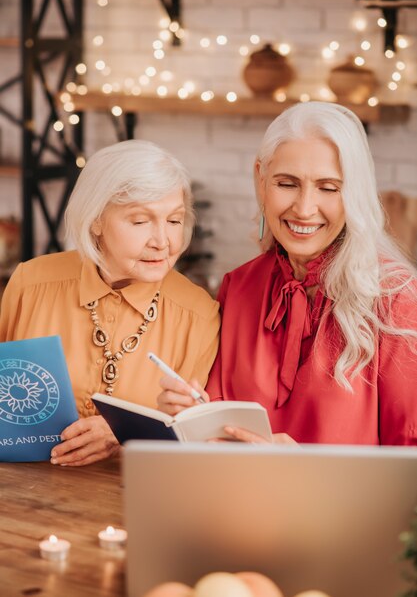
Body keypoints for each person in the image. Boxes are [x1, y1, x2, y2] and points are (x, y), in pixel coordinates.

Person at [158, 101, 417, 446]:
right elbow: (218, 426)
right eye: (287, 184)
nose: (305, 209)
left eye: (328, 187)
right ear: (260, 179)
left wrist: (301, 469)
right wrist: (190, 415)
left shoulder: (397, 300)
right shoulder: (239, 287)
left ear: (353, 193)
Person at [0, 140, 220, 465]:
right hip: (21, 489)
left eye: (173, 221)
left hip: (132, 497)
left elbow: (195, 439)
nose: (163, 242)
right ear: (96, 220)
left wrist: (125, 435)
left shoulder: (199, 314)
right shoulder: (31, 283)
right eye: (140, 221)